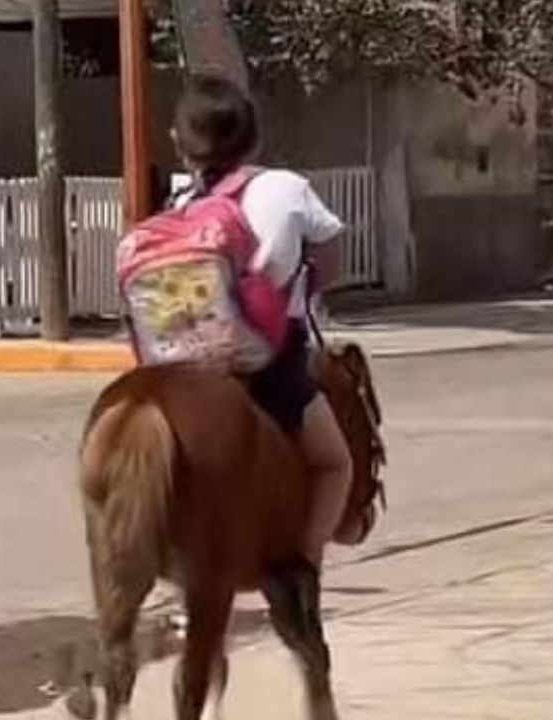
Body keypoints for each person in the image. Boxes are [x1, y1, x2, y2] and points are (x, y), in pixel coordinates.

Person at [169, 74, 354, 573]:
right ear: (255, 139)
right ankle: (304, 561)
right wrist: (298, 293)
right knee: (336, 464)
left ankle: (188, 589)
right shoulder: (286, 188)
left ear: (179, 146)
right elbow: (331, 262)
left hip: (190, 366)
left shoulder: (179, 208)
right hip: (269, 361)